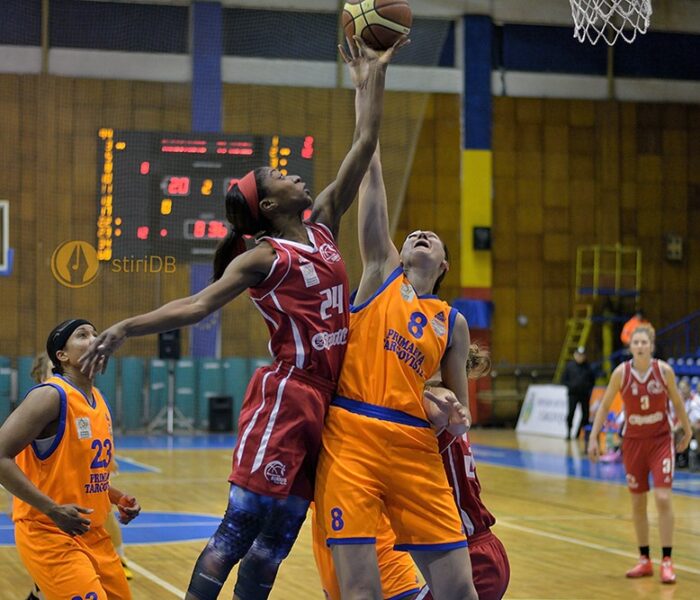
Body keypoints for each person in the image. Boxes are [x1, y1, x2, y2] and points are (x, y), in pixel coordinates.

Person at [80, 37, 406, 600]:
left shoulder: (323, 224)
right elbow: (197, 305)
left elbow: (366, 140)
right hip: (286, 397)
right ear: (271, 207)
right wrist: (125, 327)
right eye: (280, 175)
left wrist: (370, 75)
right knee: (236, 534)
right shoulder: (264, 256)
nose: (293, 174)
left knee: (273, 548)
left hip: (326, 403)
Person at [314, 138, 478, 600]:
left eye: (431, 235)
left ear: (443, 263)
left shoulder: (452, 322)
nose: (420, 232)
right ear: (399, 253)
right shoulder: (381, 273)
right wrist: (370, 110)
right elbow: (372, 177)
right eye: (411, 234)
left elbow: (459, 410)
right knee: (361, 592)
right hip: (353, 435)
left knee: (460, 590)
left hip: (415, 447)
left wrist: (448, 407)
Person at [313, 363, 510, 600]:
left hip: (471, 555)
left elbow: (434, 395)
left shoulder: (431, 406)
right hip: (480, 550)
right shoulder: (443, 408)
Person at [0, 320, 141, 600]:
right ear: (62, 356)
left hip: (93, 532)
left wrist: (115, 496)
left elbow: (78, 473)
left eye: (96, 334)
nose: (95, 338)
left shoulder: (97, 400)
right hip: (48, 532)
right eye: (82, 335)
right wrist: (52, 509)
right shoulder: (49, 396)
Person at [588, 325, 692, 584]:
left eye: (645, 342)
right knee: (637, 502)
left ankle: (667, 560)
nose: (641, 346)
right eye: (637, 342)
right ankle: (644, 559)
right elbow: (603, 407)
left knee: (664, 497)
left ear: (652, 345)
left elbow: (678, 402)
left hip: (659, 440)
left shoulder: (663, 371)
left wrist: (687, 431)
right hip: (633, 442)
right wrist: (593, 436)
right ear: (631, 346)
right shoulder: (621, 373)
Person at [561, 346, 595, 441]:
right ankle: (568, 432)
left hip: (584, 395)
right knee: (571, 413)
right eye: (578, 355)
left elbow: (592, 380)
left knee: (585, 415)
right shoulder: (569, 366)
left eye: (582, 355)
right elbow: (563, 379)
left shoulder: (588, 367)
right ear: (575, 355)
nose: (580, 357)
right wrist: (571, 386)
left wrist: (588, 388)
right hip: (573, 394)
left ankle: (581, 434)